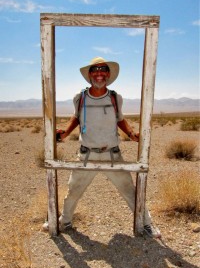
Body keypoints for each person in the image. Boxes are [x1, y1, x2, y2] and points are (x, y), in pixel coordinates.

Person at [45, 57, 161, 238]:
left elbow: (120, 119)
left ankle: (146, 224)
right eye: (95, 70)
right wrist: (66, 133)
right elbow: (76, 117)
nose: (99, 73)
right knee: (73, 191)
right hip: (86, 154)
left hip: (112, 154)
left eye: (103, 69)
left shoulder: (115, 97)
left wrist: (131, 134)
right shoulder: (80, 97)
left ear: (108, 74)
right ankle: (64, 222)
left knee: (130, 191)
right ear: (90, 74)